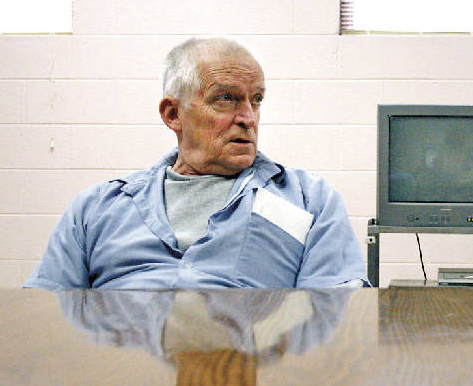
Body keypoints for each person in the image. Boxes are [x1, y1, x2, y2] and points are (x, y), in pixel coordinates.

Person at [24, 37, 368, 289]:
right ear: (173, 114)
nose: (248, 118)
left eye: (256, 100)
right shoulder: (98, 208)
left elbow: (332, 314)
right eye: (226, 99)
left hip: (248, 362)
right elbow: (43, 310)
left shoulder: (309, 200)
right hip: (119, 359)